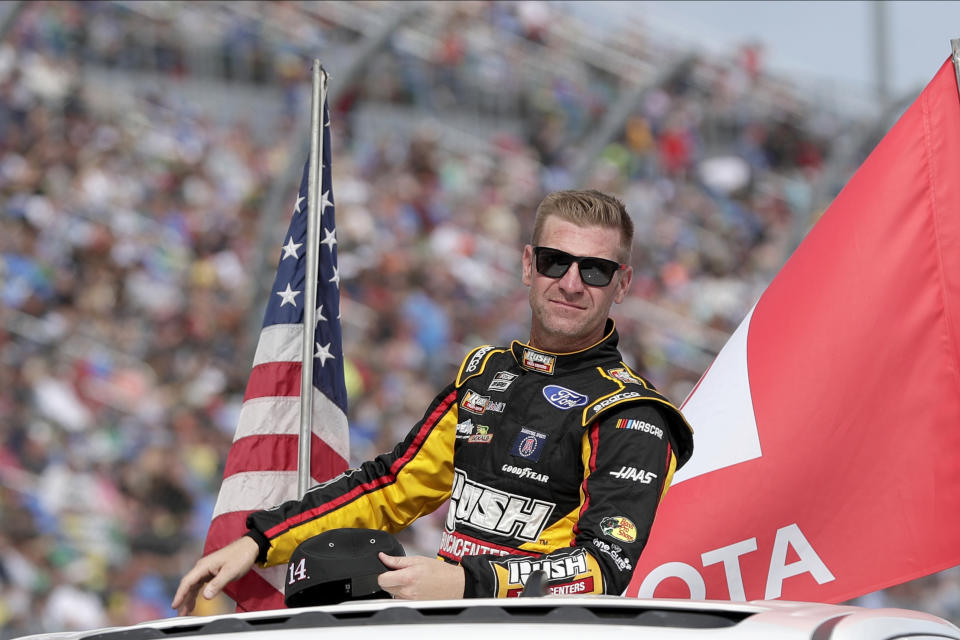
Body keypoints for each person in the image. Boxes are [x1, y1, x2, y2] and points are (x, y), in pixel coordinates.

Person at [173, 189, 693, 614]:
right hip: (447, 625)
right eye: (557, 261)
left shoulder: (633, 416)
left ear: (621, 285)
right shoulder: (486, 374)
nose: (572, 283)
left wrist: (466, 582)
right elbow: (390, 484)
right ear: (529, 266)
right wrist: (260, 540)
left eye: (596, 270)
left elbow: (603, 570)